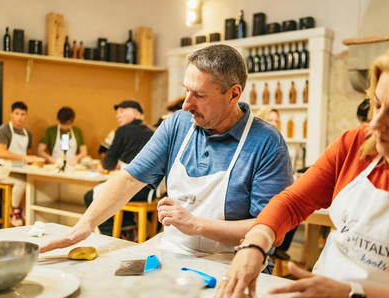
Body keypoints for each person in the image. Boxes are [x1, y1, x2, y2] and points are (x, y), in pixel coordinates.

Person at [215, 40, 389, 298]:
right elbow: (293, 202)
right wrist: (254, 244)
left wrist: (349, 295)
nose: (375, 124)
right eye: (376, 105)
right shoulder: (355, 145)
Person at [40, 44, 294, 272]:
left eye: (200, 95)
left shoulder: (267, 143)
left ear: (234, 94)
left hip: (235, 264)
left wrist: (196, 225)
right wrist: (83, 226)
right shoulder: (177, 125)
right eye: (186, 90)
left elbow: (274, 232)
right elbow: (129, 179)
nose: (186, 104)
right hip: (171, 253)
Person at [83, 100, 154, 237]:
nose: (117, 116)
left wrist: (103, 166)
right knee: (119, 197)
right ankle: (128, 230)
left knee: (91, 196)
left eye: (121, 112)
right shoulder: (153, 131)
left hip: (134, 187)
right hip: (151, 191)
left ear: (134, 112)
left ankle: (110, 235)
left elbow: (108, 164)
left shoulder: (122, 131)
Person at [255, 106, 296, 262]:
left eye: (277, 121)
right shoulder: (258, 147)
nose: (274, 124)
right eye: (270, 120)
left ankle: (281, 247)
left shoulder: (278, 145)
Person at [0, 102, 43, 226]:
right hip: (3, 170)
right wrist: (24, 157)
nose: (19, 117)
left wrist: (35, 161)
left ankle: (27, 211)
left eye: (23, 114)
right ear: (11, 114)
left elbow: (29, 154)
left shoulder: (28, 133)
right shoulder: (3, 130)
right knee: (22, 183)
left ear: (26, 116)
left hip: (21, 169)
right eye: (17, 114)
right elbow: (1, 153)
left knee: (34, 182)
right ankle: (14, 210)